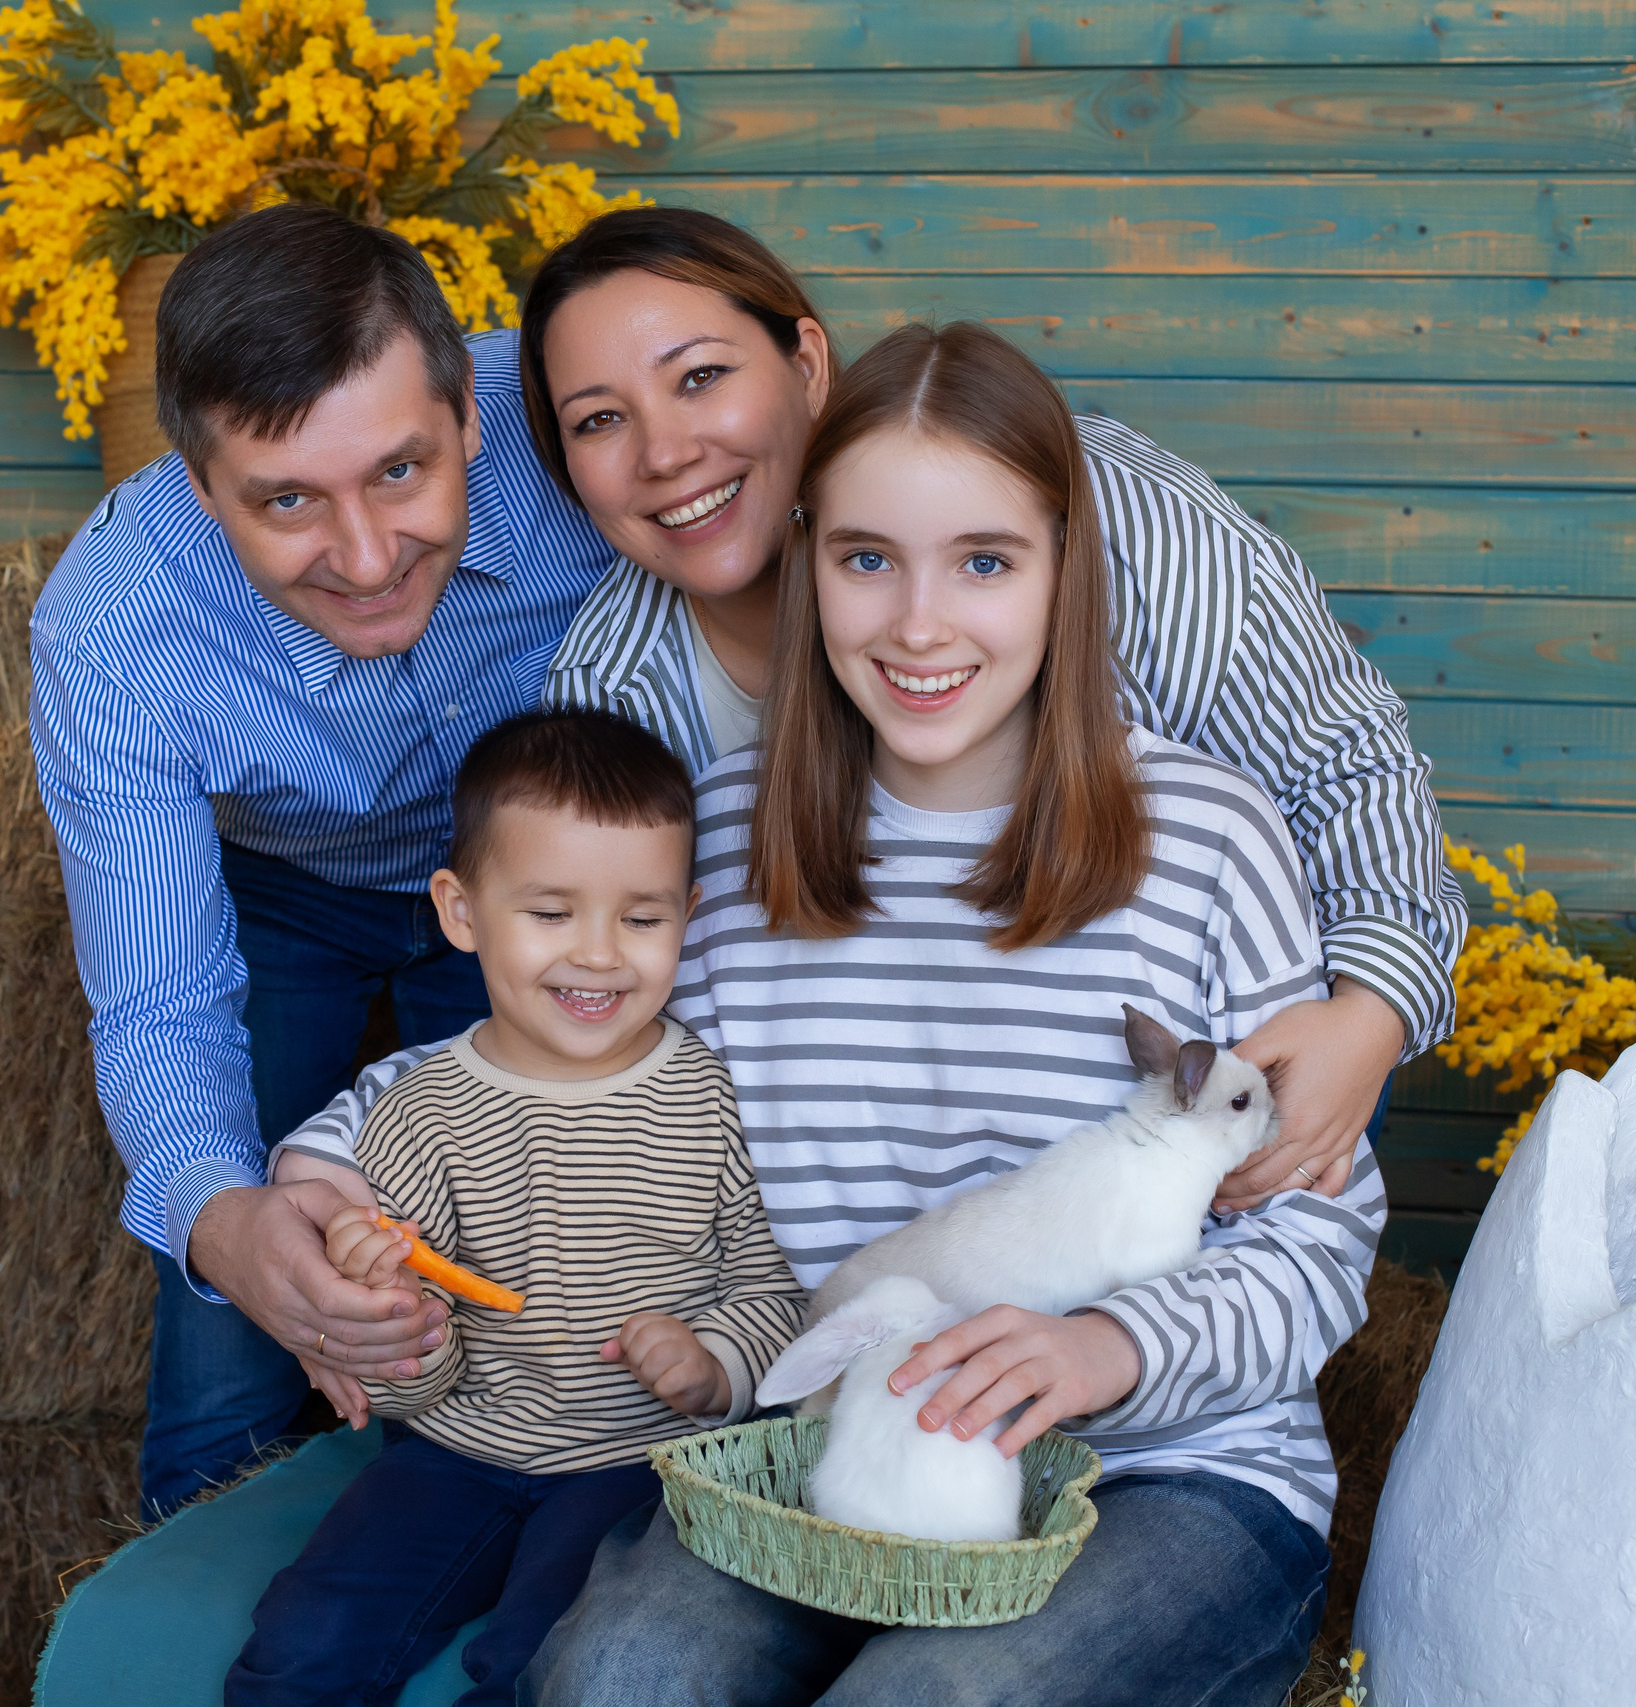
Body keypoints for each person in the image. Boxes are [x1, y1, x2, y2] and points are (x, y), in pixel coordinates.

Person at [512, 320, 1382, 1704]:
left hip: (1167, 1478)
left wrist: (1106, 1347)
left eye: (984, 561)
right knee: (618, 1673)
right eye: (868, 559)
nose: (920, 623)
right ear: (806, 562)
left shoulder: (1208, 836)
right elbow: (664, 1173)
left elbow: (1320, 1236)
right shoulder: (724, 845)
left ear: (1063, 572)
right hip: (844, 1452)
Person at [528, 207, 1464, 1208]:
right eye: (598, 419)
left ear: (805, 363)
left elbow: (1344, 766)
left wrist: (1369, 1018)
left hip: (1186, 1094)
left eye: (700, 376)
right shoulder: (607, 699)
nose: (663, 451)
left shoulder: (1118, 516)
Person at [29, 203, 615, 1517]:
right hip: (286, 894)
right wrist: (227, 1227)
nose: (362, 555)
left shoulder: (591, 432)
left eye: (401, 472)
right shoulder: (111, 629)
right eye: (286, 499)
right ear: (197, 484)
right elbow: (161, 1008)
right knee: (227, 1375)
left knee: (550, 1344)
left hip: (535, 886)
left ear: (474, 410)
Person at [229, 710, 803, 1707]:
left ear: (690, 915)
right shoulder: (418, 1116)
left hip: (641, 1464)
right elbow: (410, 1387)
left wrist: (714, 1368)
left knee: (546, 1661)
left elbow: (767, 1278)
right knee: (300, 1642)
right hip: (457, 1450)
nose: (598, 957)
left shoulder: (712, 1099)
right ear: (461, 911)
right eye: (549, 913)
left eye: (641, 917)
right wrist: (396, 1324)